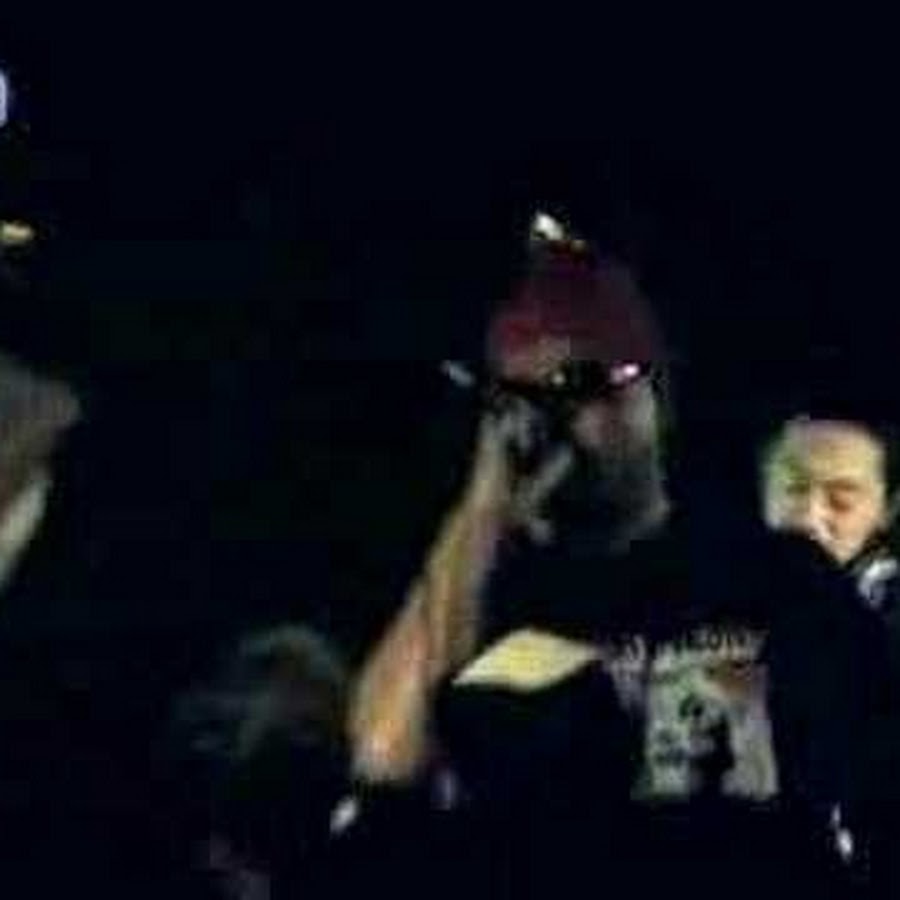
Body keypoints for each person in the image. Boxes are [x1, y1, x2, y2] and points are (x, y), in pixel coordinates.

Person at [347, 218, 895, 898]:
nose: (556, 419)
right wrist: (483, 507)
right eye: (521, 399)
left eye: (581, 383)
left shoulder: (772, 578)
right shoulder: (484, 593)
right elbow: (382, 765)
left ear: (653, 395)